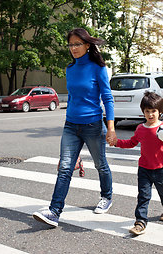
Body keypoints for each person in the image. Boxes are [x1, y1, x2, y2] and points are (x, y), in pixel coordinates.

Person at [33, 28, 117, 227]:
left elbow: (107, 98)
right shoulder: (70, 69)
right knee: (64, 168)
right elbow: (72, 99)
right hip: (71, 126)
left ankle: (107, 197)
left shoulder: (98, 68)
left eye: (77, 44)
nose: (73, 48)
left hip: (93, 125)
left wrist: (111, 128)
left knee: (101, 165)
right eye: (71, 44)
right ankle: (54, 211)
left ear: (88, 45)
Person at [110, 91, 163, 235]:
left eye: (154, 111)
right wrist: (117, 143)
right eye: (147, 111)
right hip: (144, 169)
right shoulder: (140, 129)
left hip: (162, 168)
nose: (150, 114)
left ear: (160, 112)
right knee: (143, 196)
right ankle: (140, 222)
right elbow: (131, 142)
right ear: (143, 112)